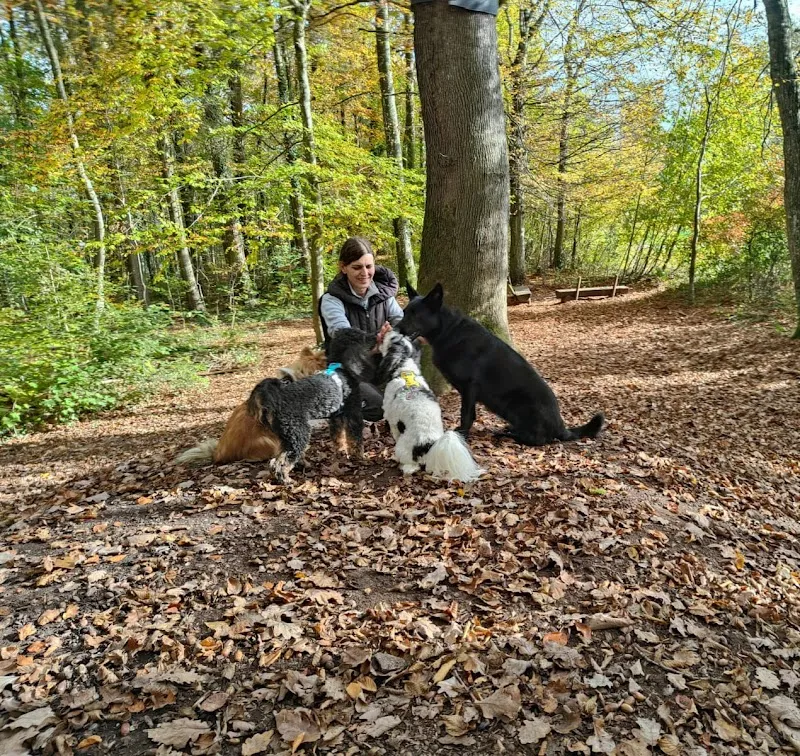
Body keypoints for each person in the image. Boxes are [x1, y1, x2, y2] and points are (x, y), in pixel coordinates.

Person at [319, 236, 404, 421]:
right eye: (357, 267)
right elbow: (342, 334)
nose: (364, 273)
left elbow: (401, 322)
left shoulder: (384, 295)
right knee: (378, 407)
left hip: (379, 365)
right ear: (343, 267)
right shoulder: (331, 299)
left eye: (368, 266)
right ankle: (335, 410)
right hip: (345, 368)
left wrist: (395, 334)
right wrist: (376, 340)